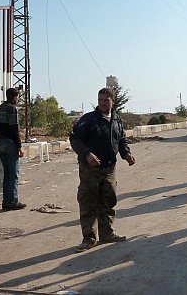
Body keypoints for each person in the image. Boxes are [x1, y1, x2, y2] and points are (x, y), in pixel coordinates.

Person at [69, 87, 136, 252]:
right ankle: (88, 238)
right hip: (90, 169)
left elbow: (121, 140)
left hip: (109, 168)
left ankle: (107, 233)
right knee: (88, 202)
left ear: (113, 101)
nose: (103, 103)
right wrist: (87, 154)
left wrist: (126, 154)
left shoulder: (117, 120)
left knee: (108, 201)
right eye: (100, 100)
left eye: (106, 100)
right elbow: (75, 139)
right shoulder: (89, 119)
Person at [0, 87, 26, 210]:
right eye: (17, 97)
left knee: (7, 174)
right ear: (14, 97)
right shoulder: (12, 109)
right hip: (10, 143)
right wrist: (19, 146)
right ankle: (12, 201)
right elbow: (14, 129)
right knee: (13, 174)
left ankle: (6, 201)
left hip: (0, 142)